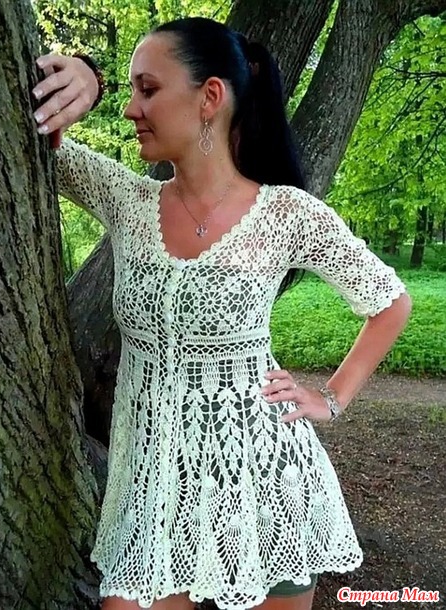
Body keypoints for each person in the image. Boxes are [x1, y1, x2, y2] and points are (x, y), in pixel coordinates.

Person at [32, 16, 411, 610]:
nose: (132, 109)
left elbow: (390, 302)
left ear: (210, 96)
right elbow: (32, 133)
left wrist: (331, 398)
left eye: (148, 89)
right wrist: (88, 76)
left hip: (268, 491)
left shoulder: (287, 214)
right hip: (155, 499)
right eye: (130, 90)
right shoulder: (127, 201)